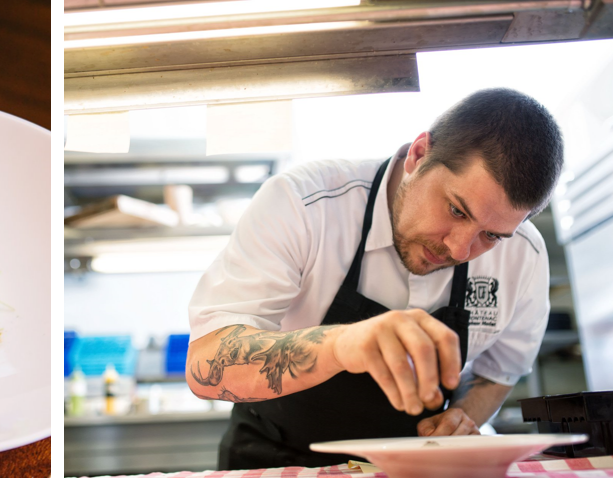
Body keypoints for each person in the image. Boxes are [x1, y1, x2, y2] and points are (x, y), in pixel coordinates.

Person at [185, 88, 564, 469]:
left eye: (492, 236)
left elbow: (498, 373)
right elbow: (205, 365)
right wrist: (338, 345)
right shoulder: (303, 204)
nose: (460, 249)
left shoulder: (524, 258)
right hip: (274, 460)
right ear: (419, 155)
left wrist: (461, 417)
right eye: (456, 210)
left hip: (412, 471)